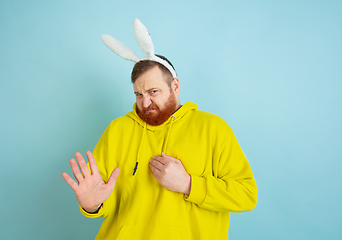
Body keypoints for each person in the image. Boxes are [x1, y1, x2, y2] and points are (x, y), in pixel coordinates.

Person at [62, 19, 258, 240]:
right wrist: (92, 206)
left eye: (153, 92)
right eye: (138, 94)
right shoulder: (118, 130)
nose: (145, 103)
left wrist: (189, 184)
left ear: (175, 86)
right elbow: (103, 198)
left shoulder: (213, 128)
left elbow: (247, 195)